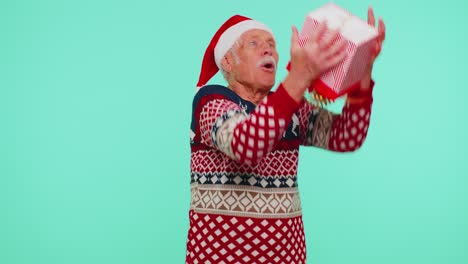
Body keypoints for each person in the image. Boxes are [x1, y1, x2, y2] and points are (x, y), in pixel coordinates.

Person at [186, 7, 386, 264]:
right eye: (254, 43)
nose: (268, 49)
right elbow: (246, 146)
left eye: (272, 44)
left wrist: (362, 69)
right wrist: (299, 77)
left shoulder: (291, 108)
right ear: (227, 61)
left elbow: (348, 135)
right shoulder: (211, 100)